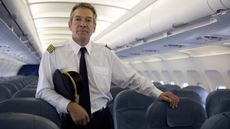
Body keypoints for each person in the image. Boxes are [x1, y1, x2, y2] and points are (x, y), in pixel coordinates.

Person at [36, 2, 179, 129]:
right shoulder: (53, 52)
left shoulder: (105, 53)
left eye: (88, 20)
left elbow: (131, 78)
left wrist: (157, 93)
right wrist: (69, 106)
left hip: (101, 119)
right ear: (70, 24)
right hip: (69, 119)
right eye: (78, 19)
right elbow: (43, 90)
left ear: (94, 27)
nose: (83, 24)